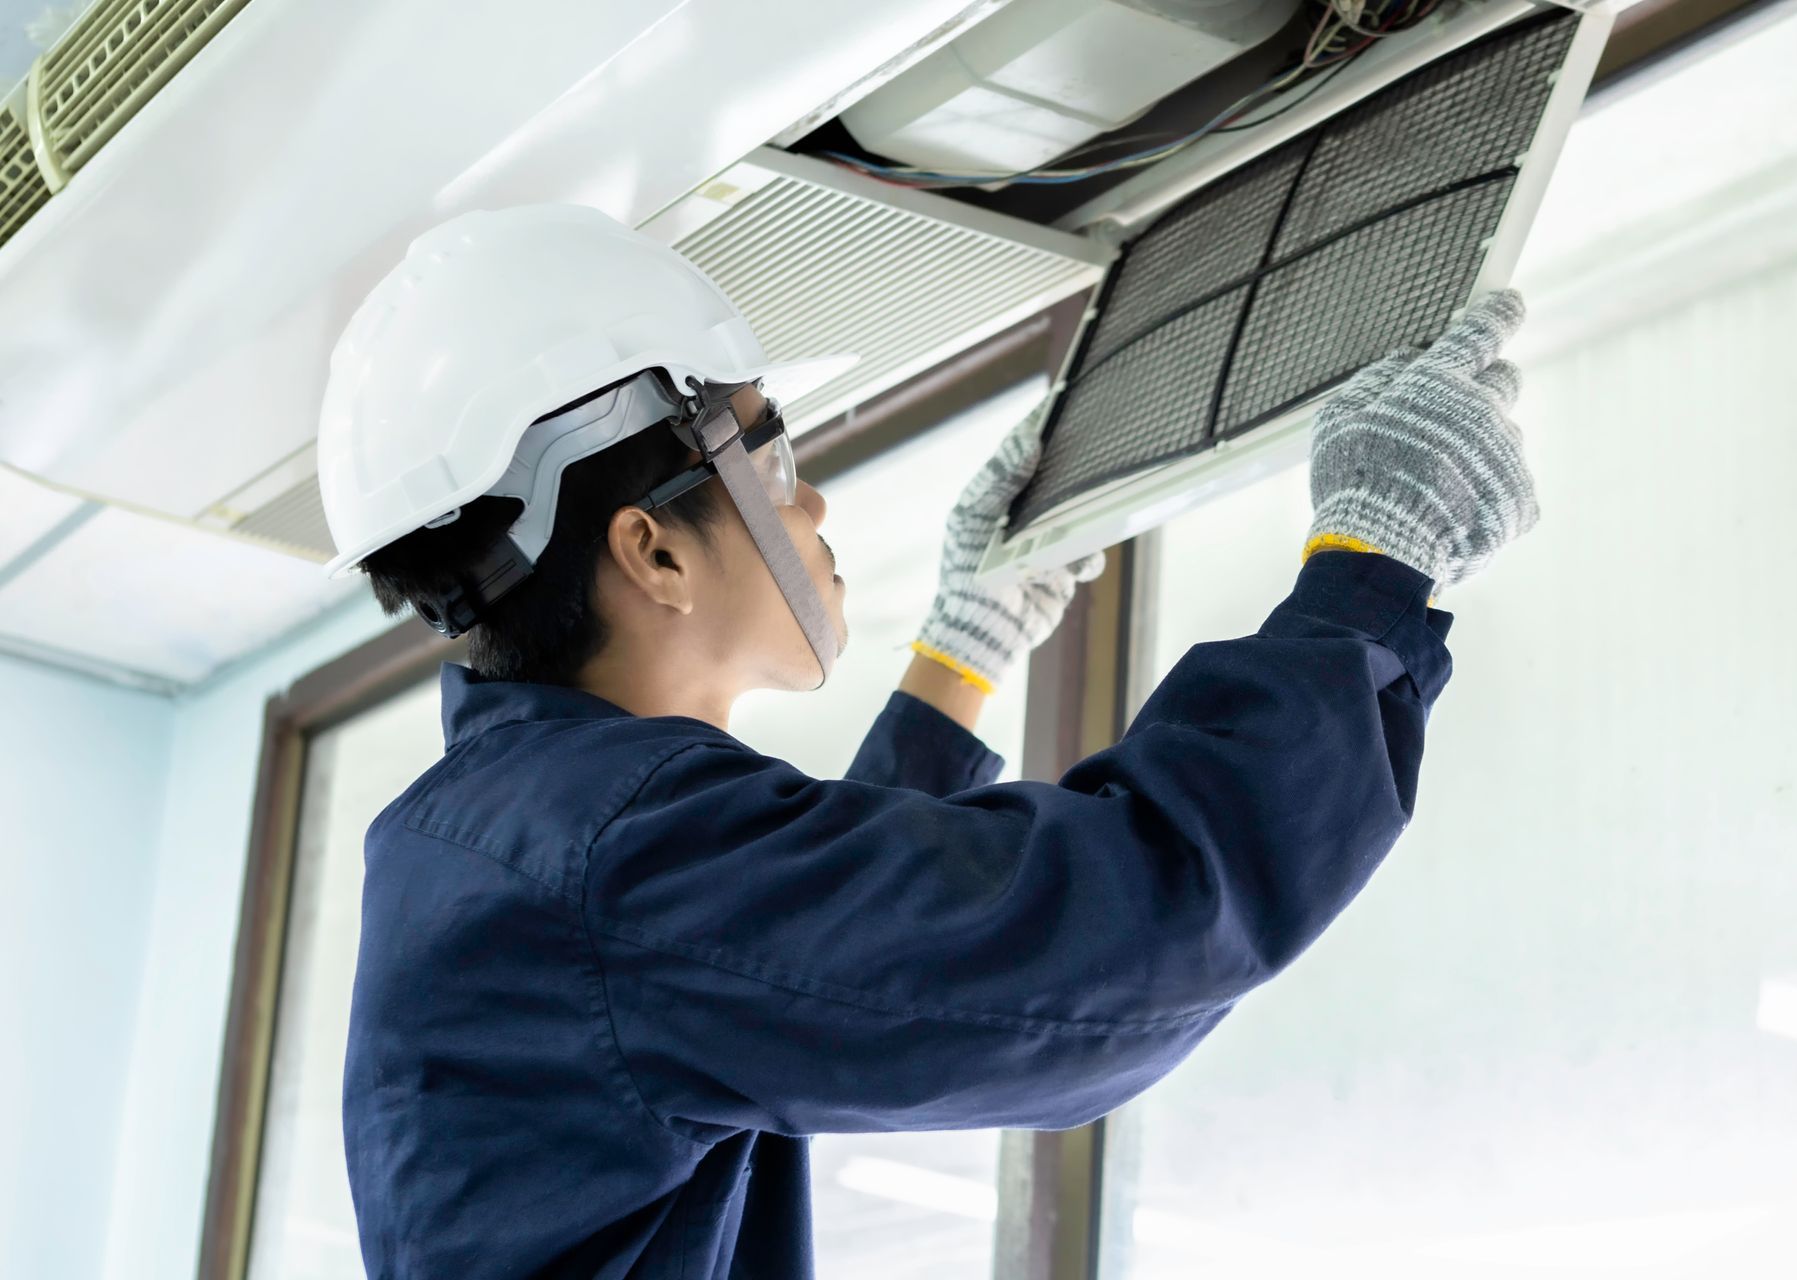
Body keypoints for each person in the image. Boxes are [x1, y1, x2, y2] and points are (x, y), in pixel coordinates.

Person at [318, 204, 1537, 1279]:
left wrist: (964, 650)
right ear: (655, 551)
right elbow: (1106, 945)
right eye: (766, 451)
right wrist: (1373, 565)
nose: (812, 501)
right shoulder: (599, 857)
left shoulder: (507, 843)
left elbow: (783, 957)